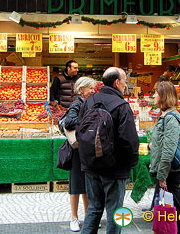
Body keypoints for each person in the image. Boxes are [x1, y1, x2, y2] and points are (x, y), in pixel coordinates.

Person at [79, 67, 139, 234]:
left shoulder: (89, 101)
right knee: (115, 211)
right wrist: (129, 164)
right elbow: (129, 140)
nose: (125, 85)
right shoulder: (121, 105)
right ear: (116, 83)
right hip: (114, 168)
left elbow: (79, 131)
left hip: (91, 165)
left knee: (94, 207)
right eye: (124, 81)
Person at [149, 81, 180, 234]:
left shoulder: (171, 118)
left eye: (156, 93)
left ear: (163, 96)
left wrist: (162, 175)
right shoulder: (165, 115)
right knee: (168, 206)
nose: (153, 96)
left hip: (170, 171)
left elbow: (169, 150)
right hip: (166, 170)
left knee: (173, 207)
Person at [60, 76, 97, 232]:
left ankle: (88, 216)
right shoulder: (77, 104)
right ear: (82, 89)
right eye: (90, 88)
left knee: (87, 185)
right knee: (75, 185)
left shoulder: (88, 103)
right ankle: (74, 218)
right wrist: (88, 121)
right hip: (76, 151)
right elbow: (69, 122)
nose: (93, 90)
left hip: (85, 149)